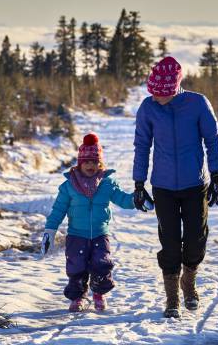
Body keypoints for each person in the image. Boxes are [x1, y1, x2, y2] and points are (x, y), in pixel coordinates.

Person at [133, 56, 218, 318]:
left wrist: (216, 176)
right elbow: (141, 146)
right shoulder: (148, 108)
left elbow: (213, 140)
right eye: (154, 92)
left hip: (195, 185)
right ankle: (172, 299)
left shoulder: (197, 103)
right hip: (163, 187)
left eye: (162, 93)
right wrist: (139, 183)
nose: (157, 97)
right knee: (170, 244)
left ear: (175, 88)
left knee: (195, 241)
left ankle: (189, 282)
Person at [41, 132, 135, 312]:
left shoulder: (107, 183)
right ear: (80, 163)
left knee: (102, 263)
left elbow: (122, 199)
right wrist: (50, 231)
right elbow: (58, 210)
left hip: (100, 233)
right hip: (77, 235)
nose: (91, 165)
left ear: (100, 163)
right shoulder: (69, 186)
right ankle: (78, 297)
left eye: (95, 162)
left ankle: (99, 294)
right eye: (87, 162)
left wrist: (136, 200)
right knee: (77, 267)